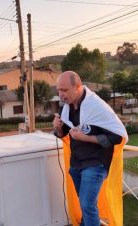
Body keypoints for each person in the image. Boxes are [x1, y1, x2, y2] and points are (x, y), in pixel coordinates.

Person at [53, 71, 128, 226]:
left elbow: (117, 137)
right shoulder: (66, 108)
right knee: (86, 205)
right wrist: (59, 129)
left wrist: (86, 138)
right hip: (76, 165)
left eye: (65, 90)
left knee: (87, 205)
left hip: (96, 164)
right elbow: (64, 133)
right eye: (59, 90)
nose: (61, 94)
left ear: (78, 87)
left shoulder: (97, 106)